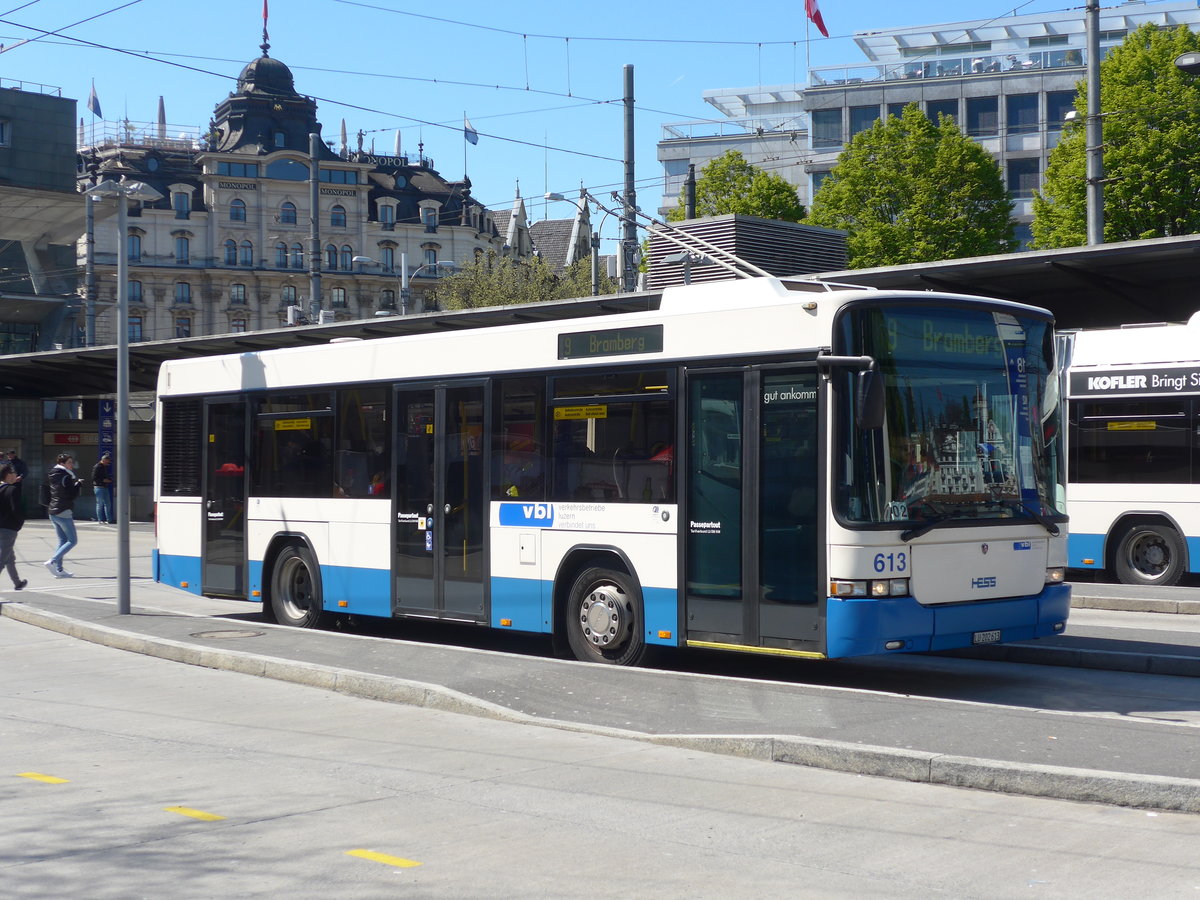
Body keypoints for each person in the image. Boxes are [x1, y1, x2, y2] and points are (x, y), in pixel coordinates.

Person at [44, 452, 82, 578]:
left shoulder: (53, 474)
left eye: (72, 462)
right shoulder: (66, 476)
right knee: (72, 540)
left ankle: (59, 570)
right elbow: (71, 495)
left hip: (53, 510)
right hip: (63, 510)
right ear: (62, 464)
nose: (72, 465)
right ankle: (52, 561)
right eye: (69, 462)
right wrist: (78, 485)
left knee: (62, 540)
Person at [0, 462, 27, 591]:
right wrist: (19, 523)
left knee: (10, 557)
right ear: (8, 475)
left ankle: (17, 583)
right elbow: (16, 510)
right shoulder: (13, 490)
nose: (16, 475)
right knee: (2, 559)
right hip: (8, 529)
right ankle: (17, 583)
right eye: (14, 473)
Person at [91, 451, 114, 524]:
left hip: (104, 487)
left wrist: (108, 480)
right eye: (107, 461)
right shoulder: (97, 466)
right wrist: (104, 480)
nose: (108, 463)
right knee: (100, 504)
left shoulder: (104, 467)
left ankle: (109, 519)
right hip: (99, 487)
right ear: (103, 460)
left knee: (107, 503)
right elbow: (94, 477)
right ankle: (100, 519)